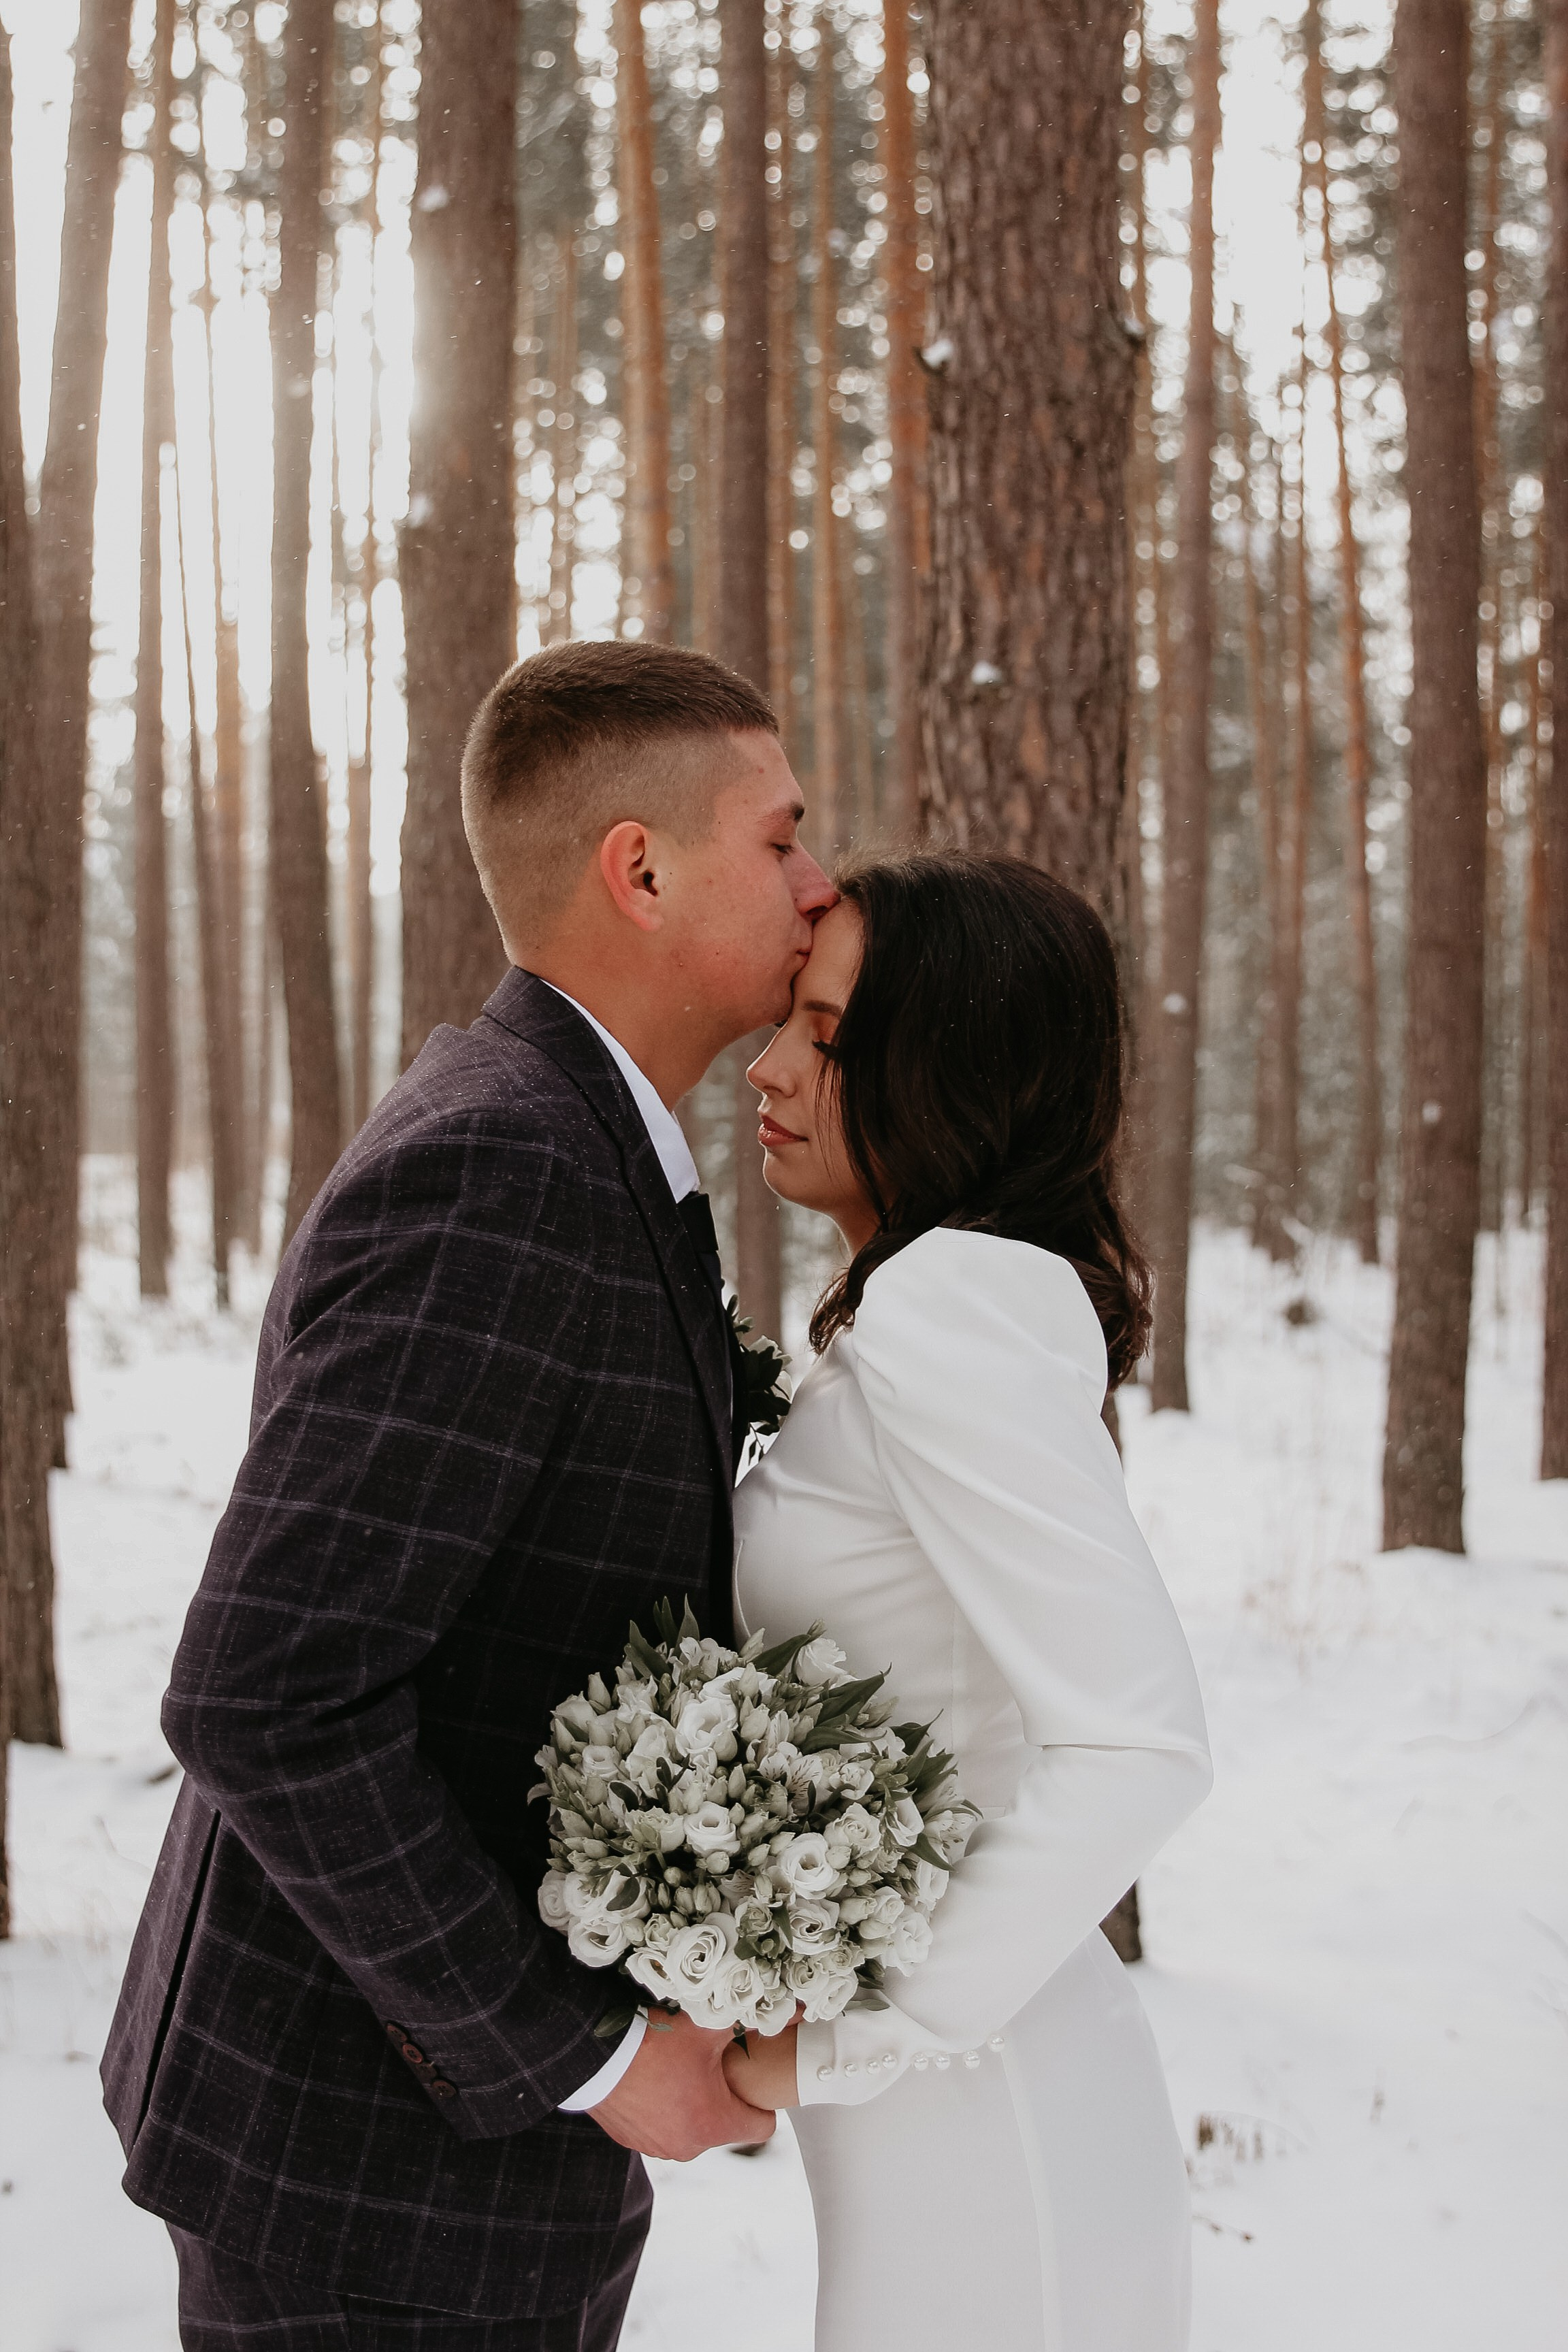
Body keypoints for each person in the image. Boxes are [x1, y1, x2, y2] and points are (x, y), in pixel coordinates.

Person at [101, 640, 833, 2350]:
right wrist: (585, 2055)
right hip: (367, 2186)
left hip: (453, 2176)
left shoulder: (583, 1149)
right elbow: (266, 1695)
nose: (819, 882)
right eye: (783, 836)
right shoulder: (501, 1170)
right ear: (638, 870)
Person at [723, 853, 1213, 2352]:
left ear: (949, 1070)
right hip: (949, 2121)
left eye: (826, 1034)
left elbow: (1140, 1745)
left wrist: (842, 2039)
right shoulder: (931, 1307)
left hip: (991, 2125)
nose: (770, 1063)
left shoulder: (953, 1310)